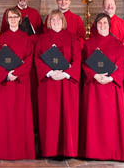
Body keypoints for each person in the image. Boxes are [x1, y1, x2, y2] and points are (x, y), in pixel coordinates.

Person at [79, 13, 124, 161]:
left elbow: (121, 66)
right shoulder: (88, 44)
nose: (103, 26)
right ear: (96, 26)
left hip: (111, 88)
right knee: (94, 122)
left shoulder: (118, 44)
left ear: (110, 25)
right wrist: (94, 75)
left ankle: (113, 152)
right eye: (100, 23)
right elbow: (83, 64)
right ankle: (93, 152)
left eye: (105, 23)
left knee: (111, 124)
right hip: (94, 88)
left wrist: (110, 78)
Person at [35, 10, 81, 158]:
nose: (55, 22)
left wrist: (66, 73)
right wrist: (49, 72)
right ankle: (50, 150)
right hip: (49, 83)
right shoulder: (42, 39)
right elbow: (37, 59)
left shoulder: (72, 38)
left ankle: (68, 150)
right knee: (50, 117)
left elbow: (77, 60)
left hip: (67, 83)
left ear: (63, 21)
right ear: (49, 22)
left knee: (68, 116)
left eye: (58, 19)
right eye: (52, 20)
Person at [0, 8, 35, 160]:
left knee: (20, 117)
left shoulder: (26, 38)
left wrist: (15, 73)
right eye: (10, 17)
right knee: (6, 118)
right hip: (5, 84)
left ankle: (22, 151)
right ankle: (5, 151)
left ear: (19, 19)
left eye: (15, 17)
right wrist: (6, 74)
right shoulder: (1, 39)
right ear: (7, 20)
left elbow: (29, 60)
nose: (12, 19)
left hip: (20, 83)